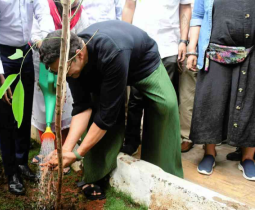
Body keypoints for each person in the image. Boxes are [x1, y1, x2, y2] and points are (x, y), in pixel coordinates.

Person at [40, 21, 183, 200]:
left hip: (143, 64)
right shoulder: (68, 65)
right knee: (100, 111)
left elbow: (106, 116)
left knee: (166, 107)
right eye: (56, 72)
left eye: (63, 71)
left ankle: (165, 174)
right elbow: (82, 107)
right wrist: (65, 150)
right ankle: (96, 175)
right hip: (104, 72)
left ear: (79, 55)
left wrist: (77, 154)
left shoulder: (111, 52)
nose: (62, 76)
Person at [0, 0, 54, 195]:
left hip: (25, 51)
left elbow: (43, 13)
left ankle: (21, 162)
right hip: (0, 54)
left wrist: (48, 42)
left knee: (24, 111)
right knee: (6, 118)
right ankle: (11, 172)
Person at [187, 0, 255, 181]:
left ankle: (248, 157)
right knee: (212, 103)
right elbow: (198, 16)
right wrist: (192, 49)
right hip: (215, 53)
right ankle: (209, 153)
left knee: (250, 104)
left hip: (251, 53)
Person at [121, 0, 193, 155]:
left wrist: (183, 40)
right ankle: (132, 140)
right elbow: (129, 6)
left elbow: (185, 8)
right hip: (139, 46)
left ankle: (161, 144)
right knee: (136, 98)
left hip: (169, 46)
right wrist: (126, 40)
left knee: (165, 101)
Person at [30, 0, 89, 173]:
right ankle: (46, 150)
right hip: (43, 64)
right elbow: (33, 34)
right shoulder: (43, 6)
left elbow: (82, 39)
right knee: (44, 108)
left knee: (66, 106)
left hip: (68, 67)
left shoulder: (79, 13)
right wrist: (48, 48)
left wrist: (65, 57)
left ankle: (63, 152)